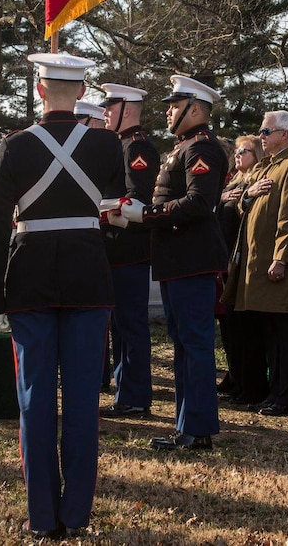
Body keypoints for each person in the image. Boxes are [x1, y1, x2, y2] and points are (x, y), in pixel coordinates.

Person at [0, 53, 124, 539]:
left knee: (34, 402)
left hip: (29, 281)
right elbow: (116, 201)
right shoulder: (107, 145)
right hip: (88, 278)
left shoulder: (13, 148)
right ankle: (76, 515)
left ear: (39, 90)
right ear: (81, 89)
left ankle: (43, 518)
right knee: (84, 402)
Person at [119, 75, 228, 452]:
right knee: (183, 343)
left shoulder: (202, 149)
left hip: (191, 259)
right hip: (178, 260)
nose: (167, 112)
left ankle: (196, 429)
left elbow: (200, 203)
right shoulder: (184, 148)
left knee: (194, 345)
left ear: (194, 109)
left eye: (174, 105)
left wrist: (147, 214)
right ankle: (187, 426)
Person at [226, 111, 288, 416]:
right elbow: (241, 204)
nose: (261, 137)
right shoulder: (266, 167)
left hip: (280, 267)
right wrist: (248, 195)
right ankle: (271, 392)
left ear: (285, 135)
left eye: (266, 132)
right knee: (268, 334)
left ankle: (285, 396)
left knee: (284, 335)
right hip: (257, 264)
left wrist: (281, 258)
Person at [99, 83, 159, 419]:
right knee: (120, 326)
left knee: (131, 325)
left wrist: (100, 209)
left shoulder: (137, 148)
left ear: (128, 109)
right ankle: (126, 394)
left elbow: (136, 200)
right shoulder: (121, 145)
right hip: (116, 250)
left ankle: (135, 396)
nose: (105, 113)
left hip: (129, 250)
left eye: (111, 107)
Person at [216, 133, 266, 406]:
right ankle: (236, 379)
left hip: (243, 262)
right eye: (237, 151)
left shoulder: (256, 181)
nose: (238, 156)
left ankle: (250, 385)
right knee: (231, 327)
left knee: (247, 328)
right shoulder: (233, 181)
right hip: (226, 262)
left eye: (244, 151)